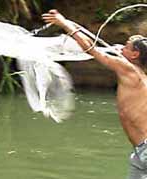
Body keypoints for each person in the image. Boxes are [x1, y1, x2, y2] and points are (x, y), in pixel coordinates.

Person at [42, 9, 147, 179]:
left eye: (126, 46)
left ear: (135, 55)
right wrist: (70, 24)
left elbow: (90, 48)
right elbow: (91, 42)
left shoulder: (129, 70)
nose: (121, 47)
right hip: (140, 152)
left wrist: (63, 23)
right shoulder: (139, 75)